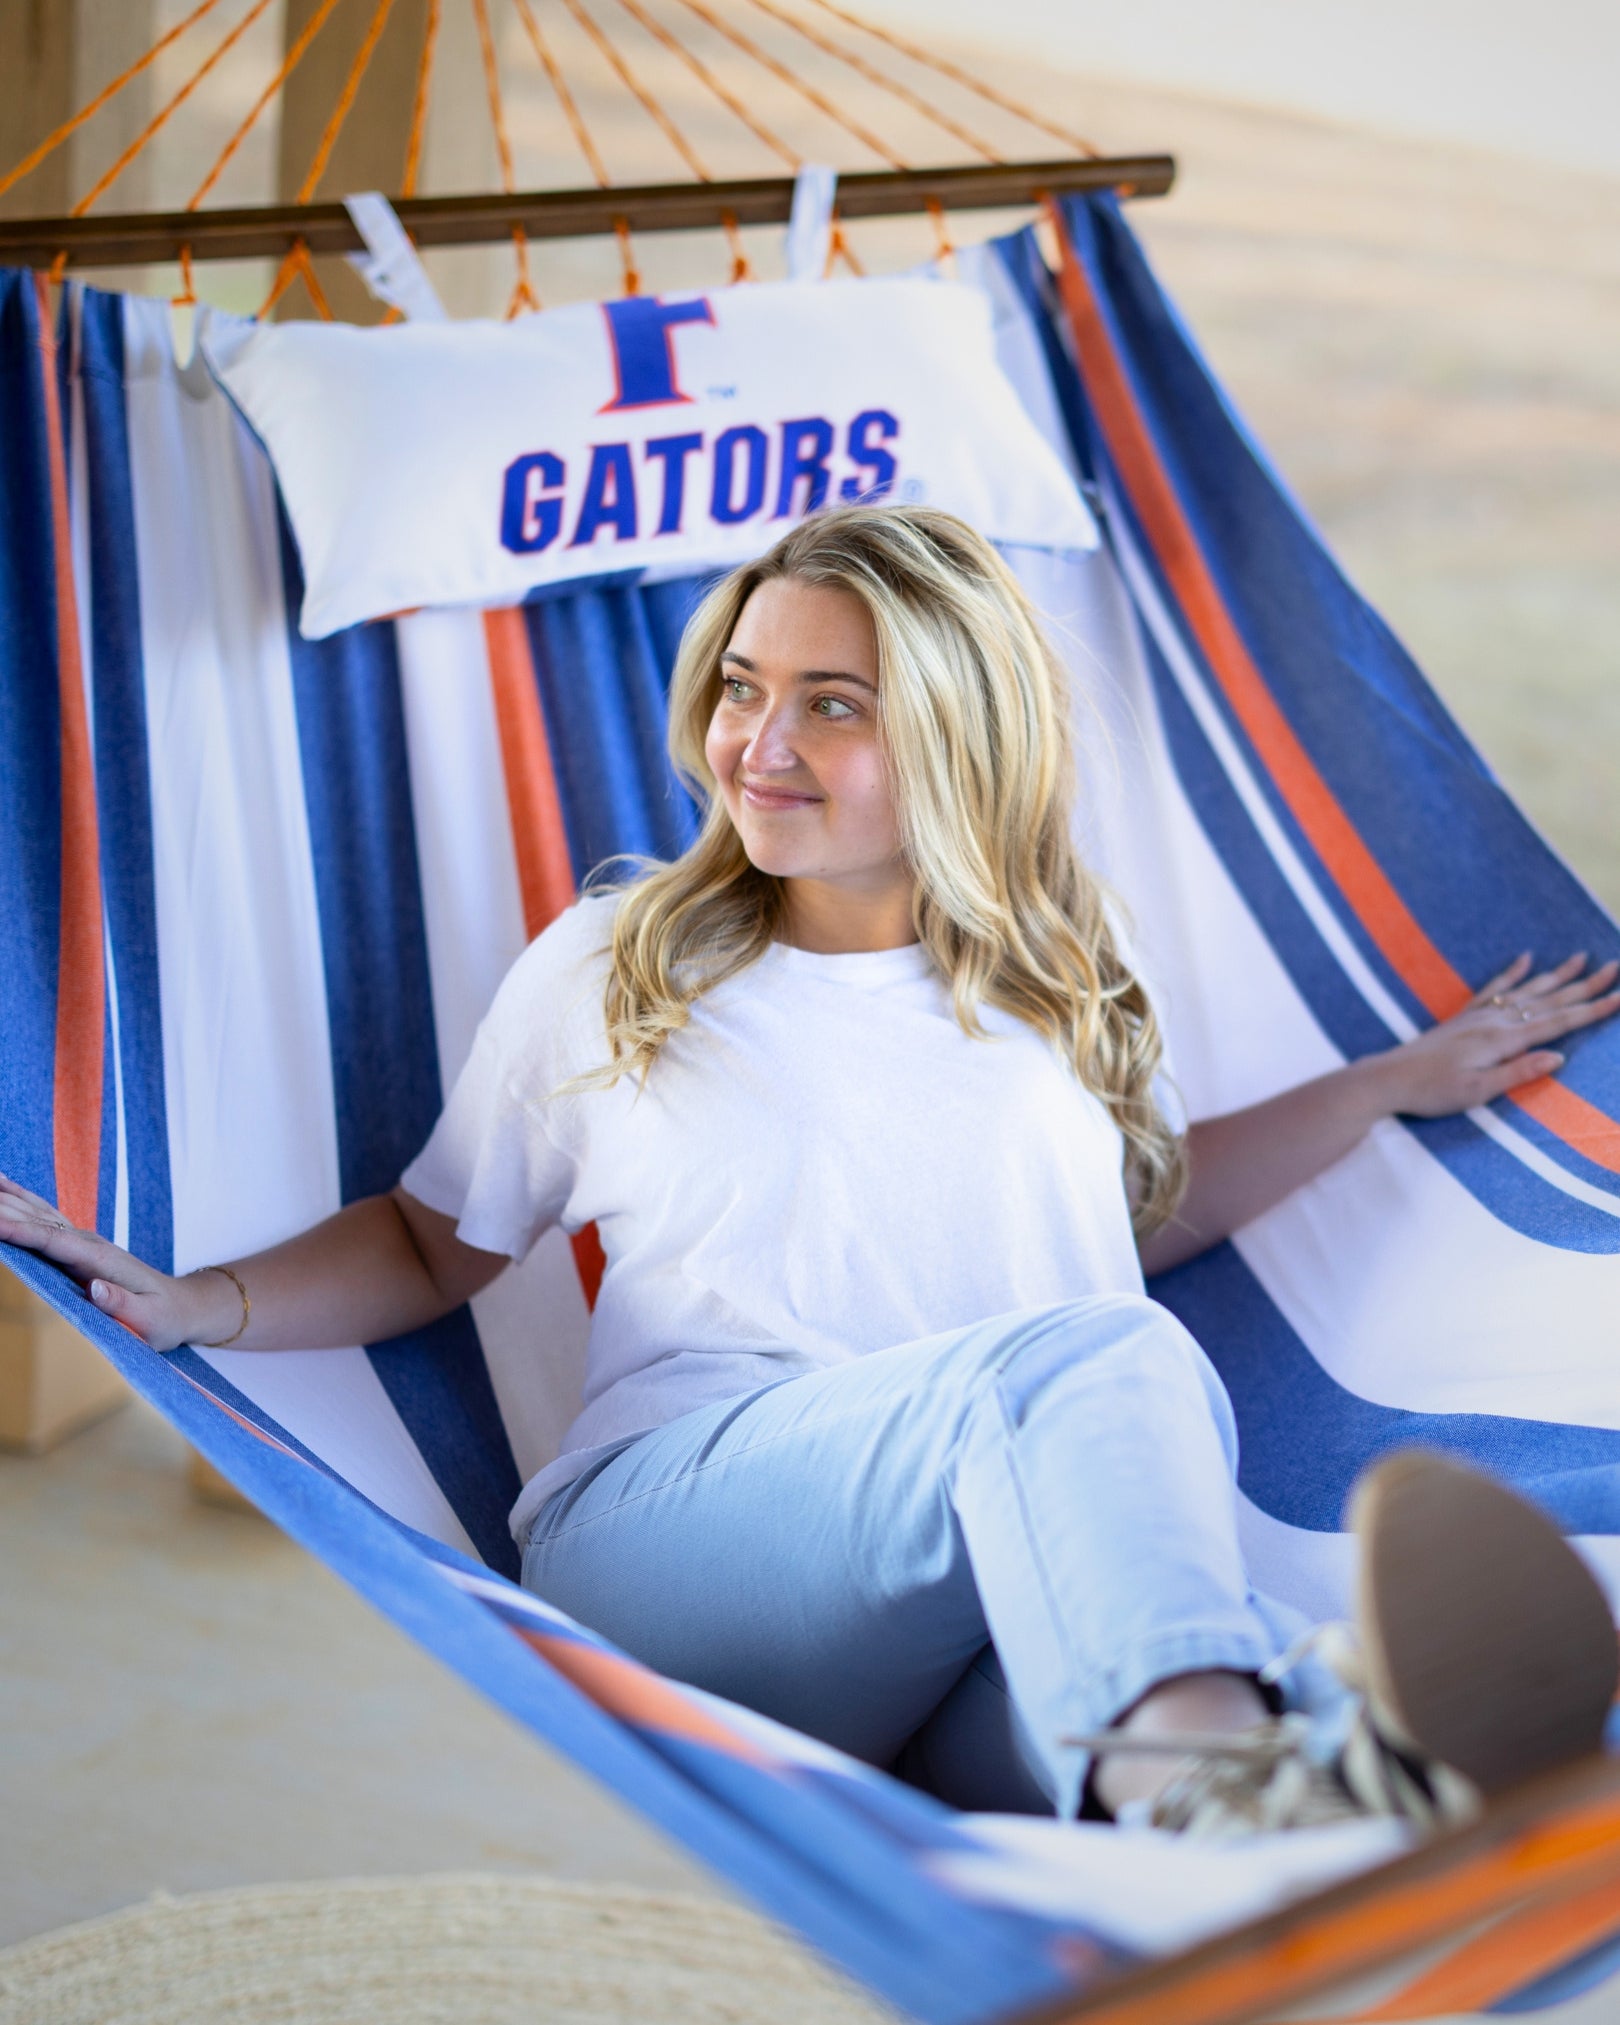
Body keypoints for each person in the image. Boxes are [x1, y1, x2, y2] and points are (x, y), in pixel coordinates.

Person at [4, 505, 1616, 1835]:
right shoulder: (621, 964)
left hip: (969, 1595)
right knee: (1113, 1383)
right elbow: (436, 1245)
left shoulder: (1067, 963)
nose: (757, 742)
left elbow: (1136, 1213)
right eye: (743, 685)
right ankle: (1238, 1784)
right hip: (684, 1559)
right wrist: (196, 1300)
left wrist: (1398, 1082)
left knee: (1217, 1690)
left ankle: (1347, 1797)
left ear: (957, 737)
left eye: (831, 703)